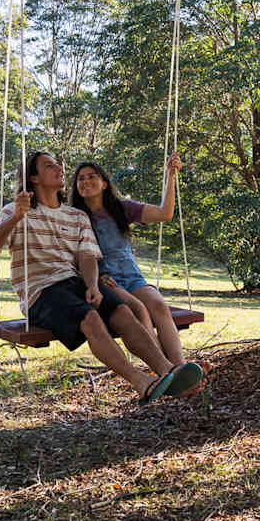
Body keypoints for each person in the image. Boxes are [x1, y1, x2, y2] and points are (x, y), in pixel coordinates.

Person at [0, 150, 203, 404]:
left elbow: (87, 256)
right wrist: (17, 217)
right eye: (50, 166)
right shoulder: (16, 210)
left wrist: (91, 285)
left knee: (122, 312)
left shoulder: (76, 216)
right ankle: (141, 382)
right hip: (42, 291)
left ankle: (169, 371)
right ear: (34, 178)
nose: (59, 168)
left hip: (74, 283)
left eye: (58, 164)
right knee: (90, 317)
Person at [69, 152, 193, 370]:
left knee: (159, 306)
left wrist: (170, 177)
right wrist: (95, 280)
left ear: (104, 183)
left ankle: (181, 366)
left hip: (132, 276)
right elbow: (75, 256)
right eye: (81, 178)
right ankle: (165, 370)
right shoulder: (74, 216)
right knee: (140, 311)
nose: (86, 181)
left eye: (91, 176)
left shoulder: (122, 208)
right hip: (106, 281)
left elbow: (165, 214)